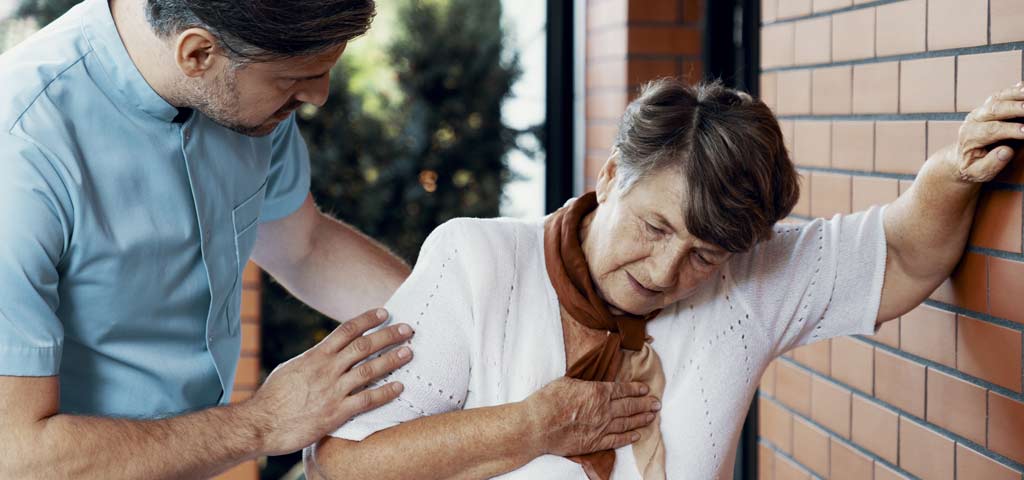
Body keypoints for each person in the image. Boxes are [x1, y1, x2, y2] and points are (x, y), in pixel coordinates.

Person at [0, 1, 655, 477]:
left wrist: (483, 349)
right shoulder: (22, 154)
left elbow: (305, 246)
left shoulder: (243, 93)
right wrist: (265, 423)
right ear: (198, 53)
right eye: (295, 80)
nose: (318, 97)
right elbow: (17, 452)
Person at [308, 78, 1024, 479]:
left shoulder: (747, 280)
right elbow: (340, 468)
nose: (665, 272)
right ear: (613, 174)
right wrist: (533, 425)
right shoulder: (475, 265)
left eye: (704, 255)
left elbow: (900, 254)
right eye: (655, 229)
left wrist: (953, 172)